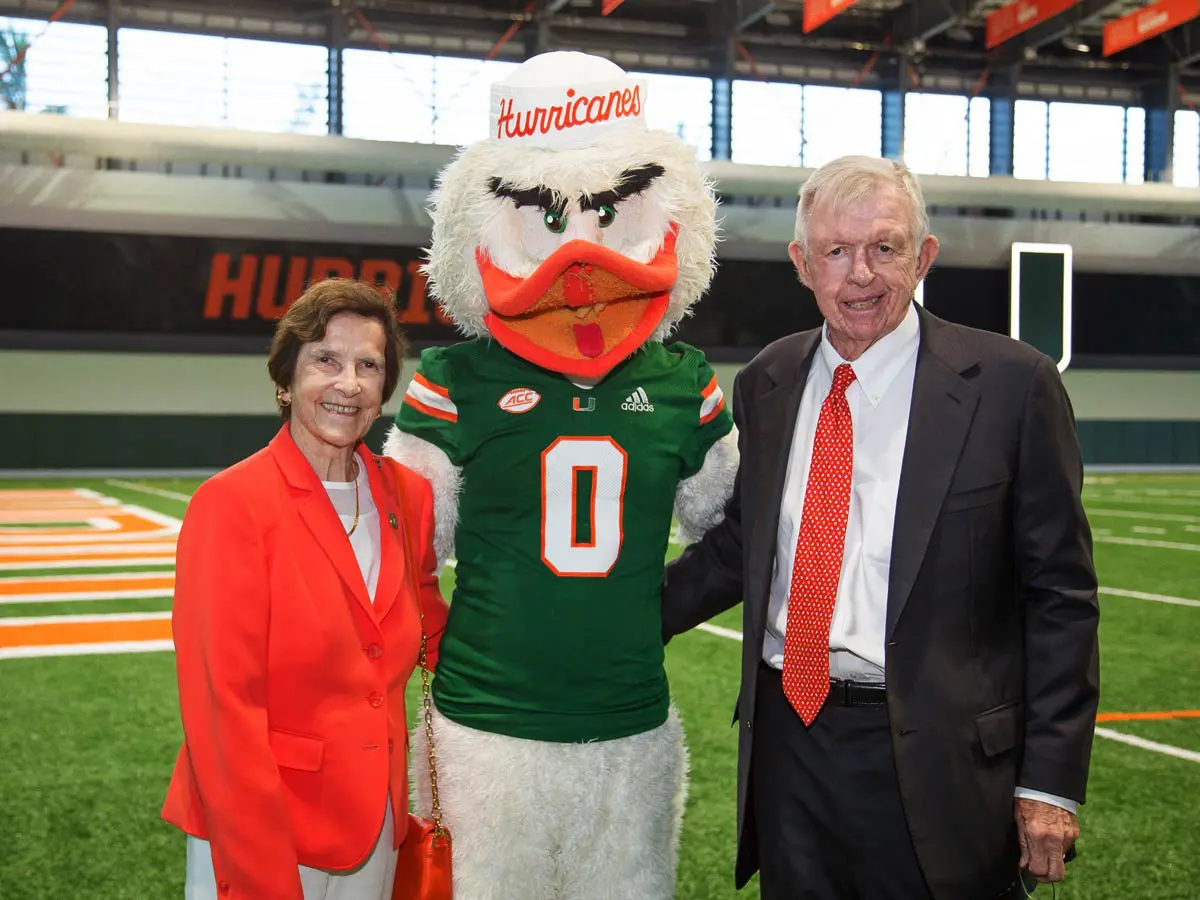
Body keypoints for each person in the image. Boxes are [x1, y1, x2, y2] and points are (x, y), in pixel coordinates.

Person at [661, 155, 1100, 900]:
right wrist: (615, 619)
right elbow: (744, 546)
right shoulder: (768, 380)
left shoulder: (1010, 384)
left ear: (923, 256)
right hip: (790, 746)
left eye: (885, 248)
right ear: (803, 264)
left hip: (942, 756)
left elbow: (1060, 596)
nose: (860, 274)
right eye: (836, 250)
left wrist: (1051, 785)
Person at [162, 278, 449, 900]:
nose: (348, 383)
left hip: (375, 821)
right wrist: (261, 871)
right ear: (287, 380)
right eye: (326, 359)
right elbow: (222, 709)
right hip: (263, 828)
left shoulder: (409, 496)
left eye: (368, 365)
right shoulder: (231, 505)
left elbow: (433, 634)